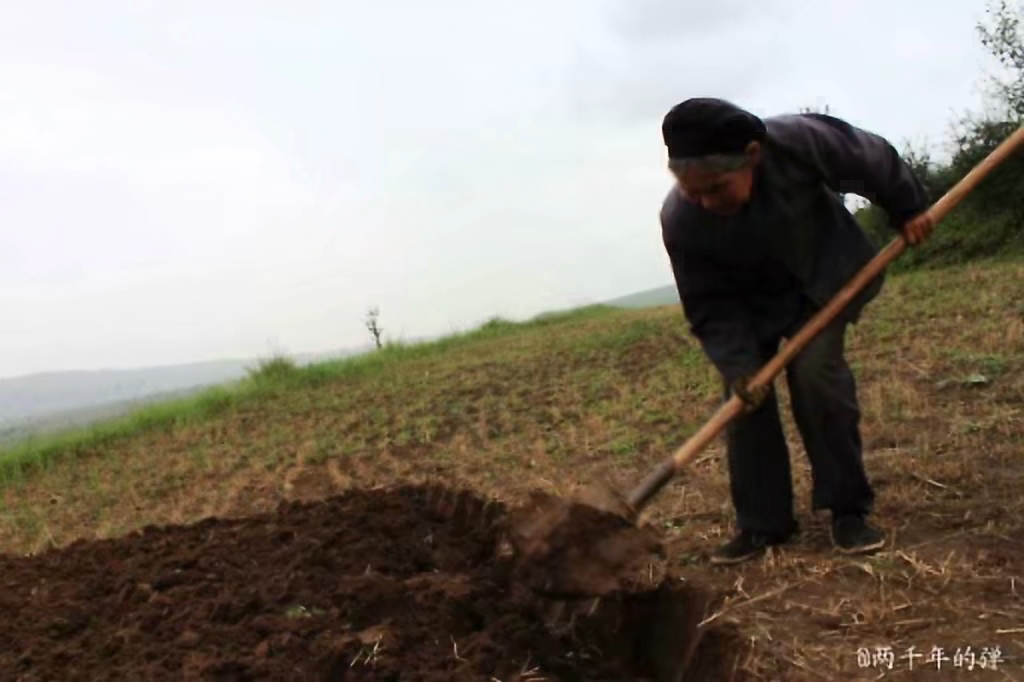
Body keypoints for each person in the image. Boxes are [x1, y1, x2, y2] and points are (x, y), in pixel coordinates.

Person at [658, 98, 935, 565]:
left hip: (824, 280)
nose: (705, 202)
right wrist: (741, 367)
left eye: (716, 188)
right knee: (742, 400)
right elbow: (709, 306)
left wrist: (907, 207)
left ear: (752, 155)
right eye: (693, 192)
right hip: (748, 309)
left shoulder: (798, 142)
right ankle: (763, 523)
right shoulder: (681, 221)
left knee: (817, 376)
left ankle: (847, 509)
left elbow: (869, 159)